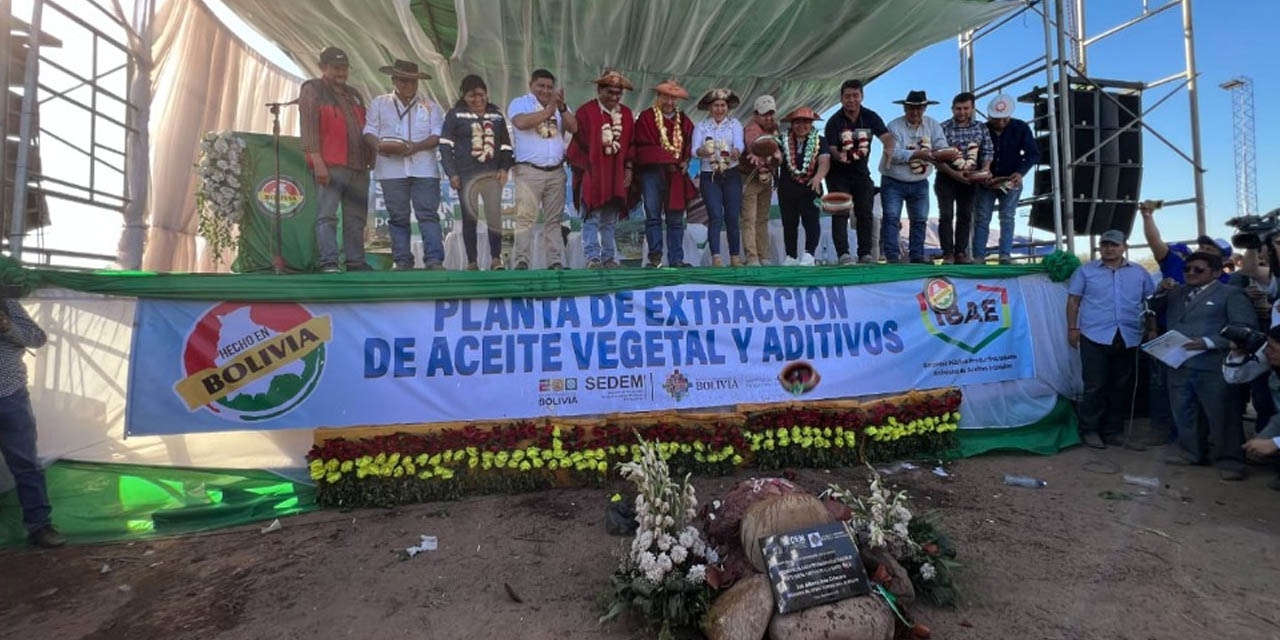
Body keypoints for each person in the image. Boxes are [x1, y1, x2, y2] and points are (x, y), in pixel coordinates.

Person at [1151, 251, 1257, 480]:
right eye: (1187, 269)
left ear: (1217, 272)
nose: (1190, 273)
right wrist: (1160, 290)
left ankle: (1230, 460)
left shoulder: (1231, 294)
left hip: (1213, 365)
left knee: (1222, 414)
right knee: (1184, 412)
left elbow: (1245, 329)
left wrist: (1208, 342)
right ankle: (1191, 451)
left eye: (1198, 269)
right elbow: (1152, 311)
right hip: (1178, 364)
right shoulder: (1176, 293)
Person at [1066, 230, 1155, 449]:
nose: (1109, 248)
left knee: (1120, 386)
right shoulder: (1085, 271)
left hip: (1129, 336)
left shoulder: (1140, 273)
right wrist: (1072, 328)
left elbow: (1150, 303)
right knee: (1094, 386)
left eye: (1114, 245)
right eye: (1105, 244)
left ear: (1124, 246)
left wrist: (1152, 329)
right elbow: (1073, 301)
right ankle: (1090, 430)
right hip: (1094, 335)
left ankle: (1113, 431)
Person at [361, 59, 444, 271]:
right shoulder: (379, 103)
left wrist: (415, 147)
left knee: (428, 215)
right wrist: (378, 146)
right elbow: (368, 131)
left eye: (413, 82)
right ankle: (402, 261)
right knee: (398, 217)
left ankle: (434, 261)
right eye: (404, 81)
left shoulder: (430, 105)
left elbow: (437, 135)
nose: (409, 86)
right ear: (394, 80)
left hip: (424, 168)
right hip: (391, 169)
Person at [298, 46, 371, 273]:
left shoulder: (355, 94)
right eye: (336, 68)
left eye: (344, 68)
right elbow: (308, 128)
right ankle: (329, 262)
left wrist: (372, 157)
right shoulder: (312, 89)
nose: (341, 73)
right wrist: (317, 161)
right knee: (327, 215)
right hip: (330, 164)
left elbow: (366, 127)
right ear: (322, 67)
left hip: (358, 165)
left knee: (356, 218)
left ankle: (355, 262)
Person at [0, 298, 62, 547]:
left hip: (10, 396)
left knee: (25, 463)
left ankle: (39, 526)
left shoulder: (7, 303)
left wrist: (6, 327)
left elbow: (37, 338)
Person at [439, 75, 515, 271]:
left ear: (487, 95)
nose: (478, 100)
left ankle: (496, 259)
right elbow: (445, 147)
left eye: (481, 95)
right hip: (466, 176)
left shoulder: (497, 115)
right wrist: (452, 173)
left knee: (494, 217)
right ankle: (472, 261)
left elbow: (506, 146)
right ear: (463, 96)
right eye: (472, 96)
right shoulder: (455, 115)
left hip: (492, 175)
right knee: (469, 218)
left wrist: (504, 168)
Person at [508, 69, 578, 270]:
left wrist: (562, 108)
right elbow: (520, 123)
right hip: (529, 171)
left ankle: (555, 262)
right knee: (525, 219)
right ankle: (521, 262)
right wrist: (548, 111)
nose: (546, 90)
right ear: (531, 85)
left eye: (549, 87)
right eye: (541, 86)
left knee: (554, 220)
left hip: (556, 171)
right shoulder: (520, 103)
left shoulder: (559, 107)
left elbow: (574, 128)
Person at [566, 70, 636, 270]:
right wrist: (585, 169)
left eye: (618, 93)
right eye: (610, 92)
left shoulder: (627, 114)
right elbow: (577, 145)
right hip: (593, 173)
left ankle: (609, 257)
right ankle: (592, 258)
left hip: (615, 175)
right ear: (599, 89)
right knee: (591, 217)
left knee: (609, 220)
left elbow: (631, 144)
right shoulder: (586, 111)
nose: (614, 97)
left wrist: (629, 168)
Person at [824, 79, 893, 264]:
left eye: (855, 96)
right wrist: (840, 156)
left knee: (865, 212)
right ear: (841, 99)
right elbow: (830, 148)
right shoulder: (834, 122)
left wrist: (888, 148)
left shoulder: (870, 117)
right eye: (847, 96)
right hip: (837, 173)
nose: (851, 100)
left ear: (862, 96)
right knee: (840, 212)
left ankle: (865, 253)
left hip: (861, 173)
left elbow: (886, 137)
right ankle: (843, 254)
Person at [634, 80, 698, 268]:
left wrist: (686, 160)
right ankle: (655, 259)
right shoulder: (646, 117)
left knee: (675, 219)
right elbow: (642, 147)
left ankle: (676, 259)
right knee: (653, 216)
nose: (669, 101)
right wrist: (666, 159)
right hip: (652, 173)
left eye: (673, 98)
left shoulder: (684, 120)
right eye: (665, 97)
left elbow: (689, 145)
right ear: (658, 97)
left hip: (676, 175)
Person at [880, 90, 949, 264]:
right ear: (905, 108)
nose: (915, 112)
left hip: (920, 181)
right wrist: (920, 154)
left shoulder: (933, 126)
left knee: (919, 219)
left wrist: (938, 152)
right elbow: (893, 153)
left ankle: (916, 255)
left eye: (919, 108)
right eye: (911, 108)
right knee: (891, 217)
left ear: (925, 108)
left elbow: (941, 146)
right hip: (893, 179)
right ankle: (892, 256)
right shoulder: (894, 126)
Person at [972, 94, 1038, 265]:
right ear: (989, 116)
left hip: (1011, 180)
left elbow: (1032, 153)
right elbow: (973, 155)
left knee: (1007, 217)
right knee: (982, 217)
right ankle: (978, 256)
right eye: (997, 119)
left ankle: (1005, 255)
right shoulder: (982, 130)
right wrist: (981, 174)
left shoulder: (1021, 128)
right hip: (986, 181)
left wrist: (1020, 173)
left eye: (1004, 119)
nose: (1001, 123)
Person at [935, 92, 993, 264]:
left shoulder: (981, 128)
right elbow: (936, 156)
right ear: (952, 109)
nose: (962, 112)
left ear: (972, 109)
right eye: (958, 109)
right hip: (947, 175)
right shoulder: (943, 127)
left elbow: (988, 151)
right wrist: (954, 172)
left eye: (966, 108)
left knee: (965, 215)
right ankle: (947, 253)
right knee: (946, 215)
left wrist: (985, 170)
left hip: (970, 177)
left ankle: (960, 252)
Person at [1222, 325, 1280, 490]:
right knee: (1264, 439)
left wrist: (1275, 443)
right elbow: (1234, 377)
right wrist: (1239, 353)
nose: (1267, 351)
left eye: (1273, 348)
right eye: (1267, 346)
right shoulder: (1270, 356)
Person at [693, 89, 746, 267]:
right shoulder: (701, 126)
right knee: (715, 216)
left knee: (732, 216)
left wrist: (736, 152)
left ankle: (735, 257)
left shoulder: (734, 124)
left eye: (723, 105)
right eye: (716, 105)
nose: (720, 109)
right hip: (709, 175)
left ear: (727, 108)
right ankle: (716, 257)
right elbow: (694, 150)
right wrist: (702, 151)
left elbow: (739, 144)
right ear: (710, 107)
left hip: (731, 173)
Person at [776, 107, 830, 265]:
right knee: (789, 223)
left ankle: (809, 254)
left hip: (811, 188)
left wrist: (818, 178)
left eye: (806, 121)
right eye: (797, 122)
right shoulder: (782, 139)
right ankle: (791, 256)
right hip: (787, 188)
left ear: (812, 123)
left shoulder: (820, 140)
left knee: (811, 220)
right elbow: (777, 159)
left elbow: (825, 161)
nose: (802, 125)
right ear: (792, 124)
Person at [740, 95, 781, 266]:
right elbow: (754, 146)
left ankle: (764, 255)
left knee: (762, 219)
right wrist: (772, 157)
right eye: (765, 114)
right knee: (749, 218)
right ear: (756, 114)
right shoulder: (751, 129)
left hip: (767, 179)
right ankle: (752, 256)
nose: (769, 117)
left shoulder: (775, 129)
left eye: (771, 114)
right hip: (750, 178)